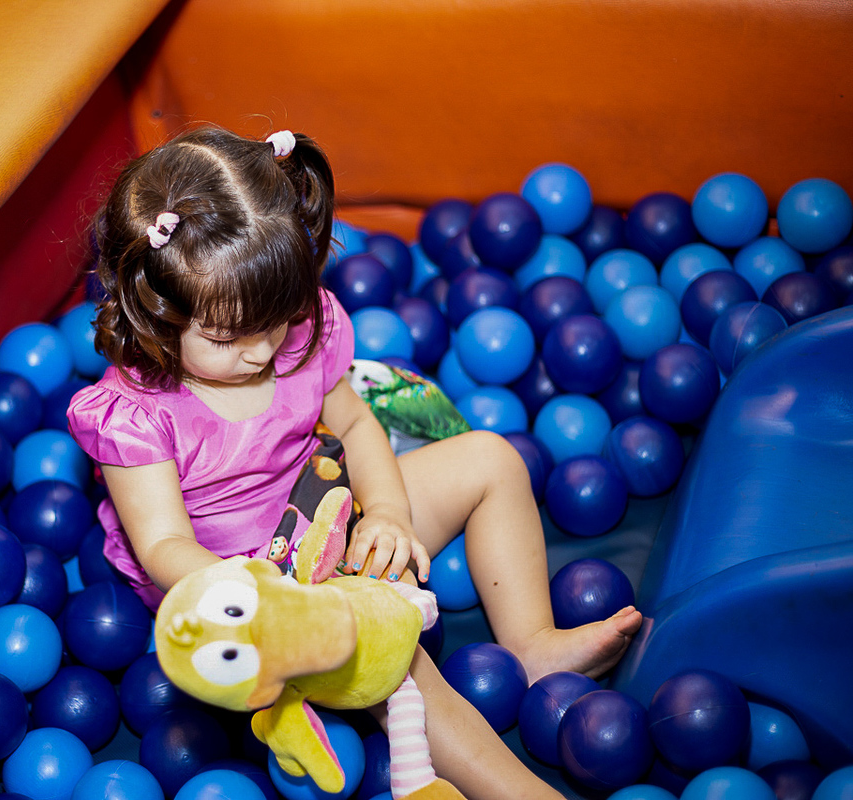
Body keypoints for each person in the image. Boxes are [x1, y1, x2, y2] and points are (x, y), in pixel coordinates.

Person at [67, 124, 642, 799]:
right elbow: (164, 544)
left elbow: (357, 421)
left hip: (323, 514)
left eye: (274, 320)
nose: (259, 352)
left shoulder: (297, 333)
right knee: (406, 674)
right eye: (228, 338)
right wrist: (273, 603)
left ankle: (532, 642)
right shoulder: (138, 413)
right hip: (238, 588)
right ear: (157, 314)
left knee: (492, 458)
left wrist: (390, 515)